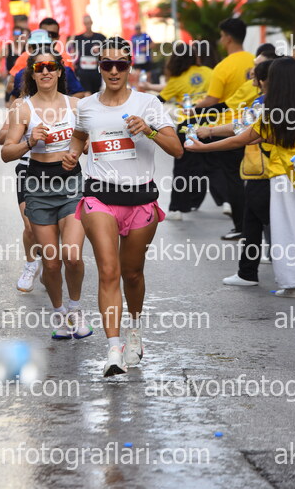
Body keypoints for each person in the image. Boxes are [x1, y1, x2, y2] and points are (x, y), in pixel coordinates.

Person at [62, 36, 182, 377]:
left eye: (121, 65)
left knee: (132, 273)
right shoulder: (87, 106)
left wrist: (150, 130)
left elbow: (177, 149)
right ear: (99, 68)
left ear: (130, 67)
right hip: (99, 196)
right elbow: (80, 136)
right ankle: (113, 349)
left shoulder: (148, 103)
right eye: (107, 65)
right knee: (108, 270)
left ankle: (134, 329)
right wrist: (73, 154)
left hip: (140, 200)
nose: (114, 71)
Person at [186, 57, 295, 299]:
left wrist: (204, 146)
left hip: (284, 176)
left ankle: (294, 284)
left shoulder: (270, 114)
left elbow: (240, 138)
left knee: (286, 233)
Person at [1, 47, 92, 340]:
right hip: (38, 188)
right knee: (51, 262)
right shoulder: (23, 108)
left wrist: (76, 152)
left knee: (73, 256)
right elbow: (6, 152)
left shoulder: (76, 105)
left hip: (71, 185)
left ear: (59, 71)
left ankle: (76, 309)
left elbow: (88, 143)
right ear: (32, 73)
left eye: (50, 66)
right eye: (39, 68)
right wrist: (29, 142)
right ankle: (59, 313)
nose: (45, 72)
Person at [193, 18, 255, 240]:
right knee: (254, 179)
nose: (220, 40)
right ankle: (254, 228)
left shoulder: (223, 66)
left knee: (234, 179)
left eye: (221, 36)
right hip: (256, 128)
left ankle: (240, 226)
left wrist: (193, 108)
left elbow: (212, 100)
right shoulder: (255, 61)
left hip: (228, 128)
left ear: (228, 37)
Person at [144, 42, 213, 218]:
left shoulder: (177, 79)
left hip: (188, 125)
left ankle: (177, 208)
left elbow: (159, 100)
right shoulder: (209, 72)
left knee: (183, 166)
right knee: (210, 165)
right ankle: (211, 201)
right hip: (212, 123)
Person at [0, 100, 42, 292]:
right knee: (30, 226)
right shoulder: (20, 104)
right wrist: (23, 129)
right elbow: (1, 138)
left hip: (58, 171)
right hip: (27, 168)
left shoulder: (65, 102)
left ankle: (48, 261)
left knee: (53, 228)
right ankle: (31, 265)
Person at [67, 15, 106, 96]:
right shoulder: (78, 38)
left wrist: (100, 51)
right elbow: (70, 49)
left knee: (96, 93)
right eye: (86, 23)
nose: (88, 25)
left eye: (89, 23)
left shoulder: (100, 37)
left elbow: (107, 50)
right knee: (86, 92)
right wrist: (74, 61)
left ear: (92, 23)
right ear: (83, 24)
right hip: (82, 71)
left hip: (96, 71)